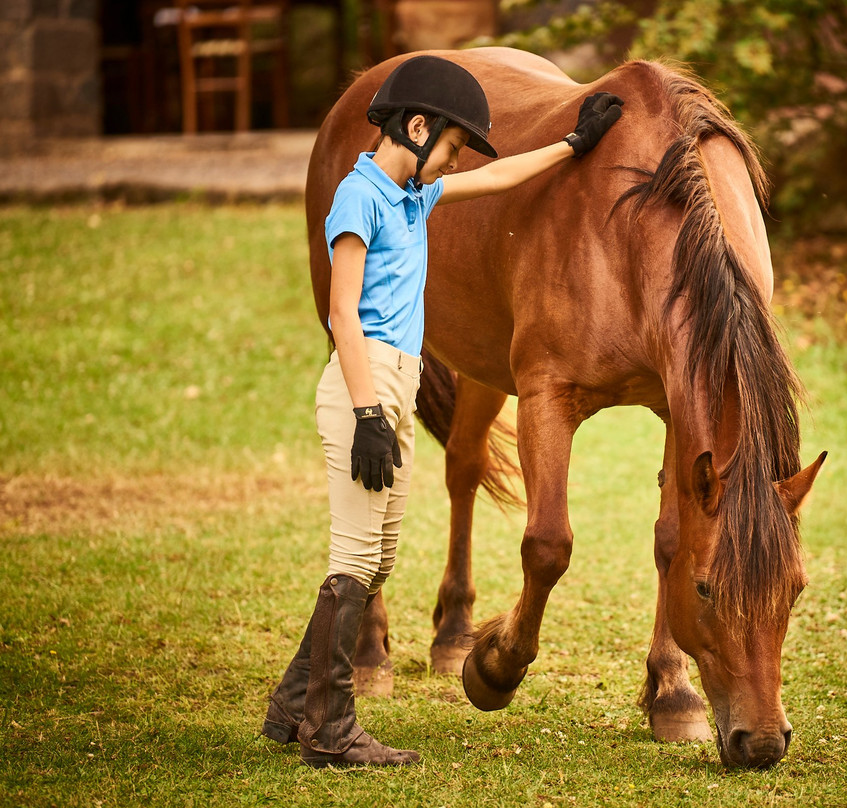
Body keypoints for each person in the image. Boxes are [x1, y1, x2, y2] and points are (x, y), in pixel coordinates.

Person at [260, 54, 623, 769]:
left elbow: (493, 178)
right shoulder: (358, 199)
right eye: (451, 147)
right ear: (418, 127)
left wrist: (571, 146)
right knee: (357, 556)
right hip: (363, 386)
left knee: (383, 553)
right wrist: (367, 412)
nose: (455, 162)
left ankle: (295, 701)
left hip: (397, 382)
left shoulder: (411, 196)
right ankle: (329, 730)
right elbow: (342, 310)